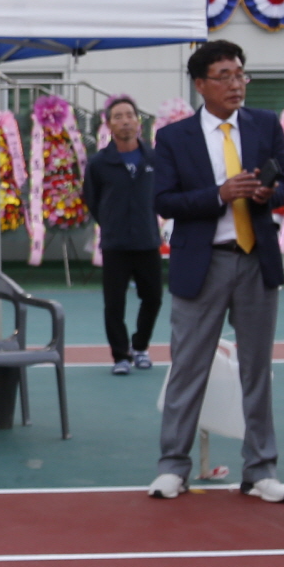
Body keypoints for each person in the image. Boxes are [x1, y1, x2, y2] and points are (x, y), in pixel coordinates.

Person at [146, 40, 284, 502]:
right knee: (189, 367)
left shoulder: (265, 125)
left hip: (255, 258)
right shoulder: (174, 138)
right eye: (225, 76)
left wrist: (271, 193)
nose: (236, 84)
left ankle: (261, 469)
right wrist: (219, 194)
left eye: (240, 74)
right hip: (202, 261)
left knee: (257, 368)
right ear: (200, 84)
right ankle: (173, 466)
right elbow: (164, 201)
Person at [82, 93, 162, 374]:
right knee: (114, 303)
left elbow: (164, 194)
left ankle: (140, 347)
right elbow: (91, 198)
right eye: (118, 117)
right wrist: (111, 222)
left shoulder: (153, 157)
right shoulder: (99, 163)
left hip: (148, 240)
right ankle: (120, 356)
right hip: (115, 243)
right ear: (109, 125)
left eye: (130, 115)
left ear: (138, 122)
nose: (125, 121)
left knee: (153, 297)